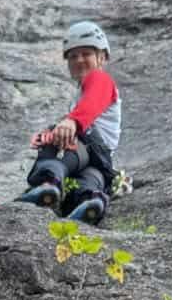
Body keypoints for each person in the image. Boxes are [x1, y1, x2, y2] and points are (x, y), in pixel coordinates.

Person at [17, 21, 121, 224]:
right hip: (100, 162)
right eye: (73, 56)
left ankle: (49, 183)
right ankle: (89, 201)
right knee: (90, 178)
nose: (79, 60)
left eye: (86, 54)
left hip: (88, 146)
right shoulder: (82, 93)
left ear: (102, 57)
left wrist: (70, 123)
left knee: (57, 141)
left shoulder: (100, 79)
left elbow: (91, 105)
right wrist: (52, 132)